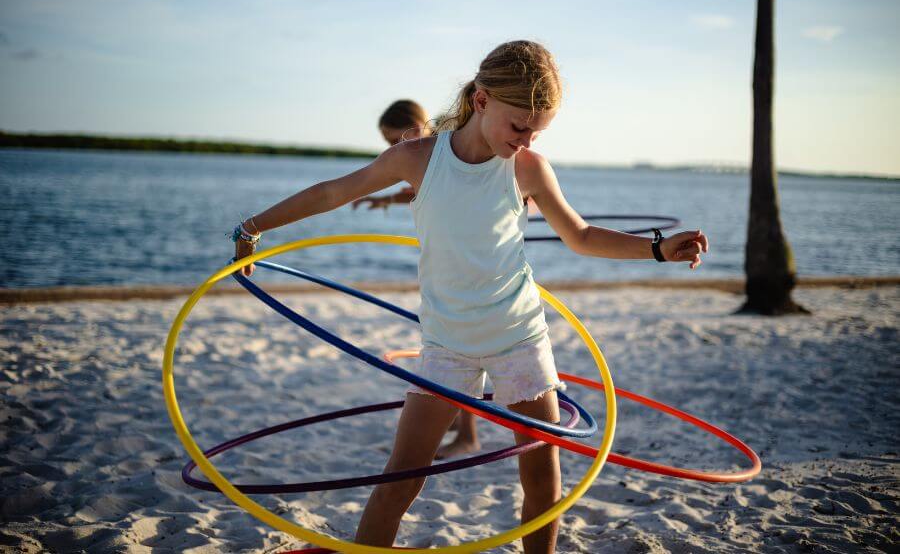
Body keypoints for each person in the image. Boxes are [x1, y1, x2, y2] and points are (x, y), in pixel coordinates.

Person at [233, 40, 708, 553]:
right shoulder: (416, 159)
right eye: (519, 126)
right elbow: (331, 192)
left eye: (537, 131)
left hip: (518, 336)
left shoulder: (527, 168)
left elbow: (582, 235)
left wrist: (657, 250)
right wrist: (255, 225)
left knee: (542, 476)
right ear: (481, 101)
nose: (526, 140)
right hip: (447, 342)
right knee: (401, 478)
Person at [352, 98, 482, 460]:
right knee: (451, 345)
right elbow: (417, 189)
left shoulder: (450, 151)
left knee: (464, 349)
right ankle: (457, 421)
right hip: (447, 269)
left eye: (397, 140)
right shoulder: (433, 152)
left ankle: (468, 435)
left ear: (417, 126)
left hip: (467, 269)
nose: (395, 150)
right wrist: (384, 201)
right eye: (389, 144)